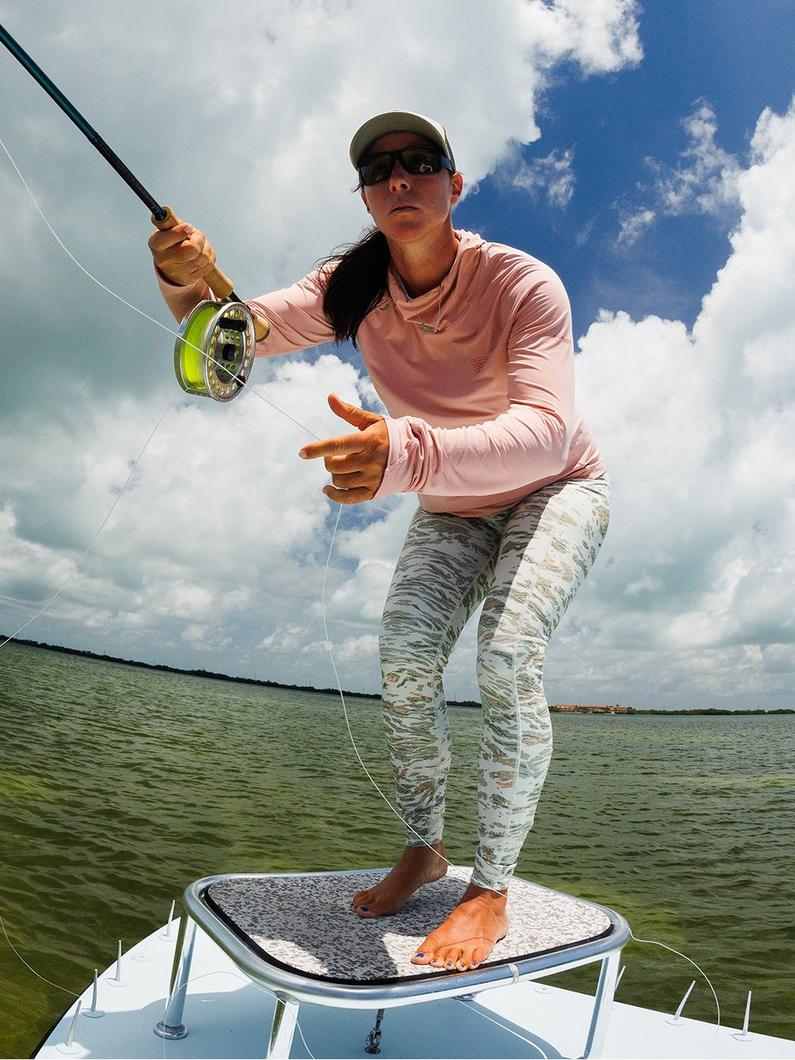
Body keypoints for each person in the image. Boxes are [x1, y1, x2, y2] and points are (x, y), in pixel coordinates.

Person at [149, 110, 610, 974]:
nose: (400, 178)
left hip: (558, 487)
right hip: (453, 502)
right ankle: (425, 849)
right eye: (379, 169)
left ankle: (491, 890)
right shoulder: (349, 287)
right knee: (402, 654)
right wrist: (185, 282)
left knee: (507, 655)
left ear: (453, 184)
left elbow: (548, 433)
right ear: (365, 197)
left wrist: (403, 450)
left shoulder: (523, 283)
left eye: (420, 162)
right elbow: (230, 343)